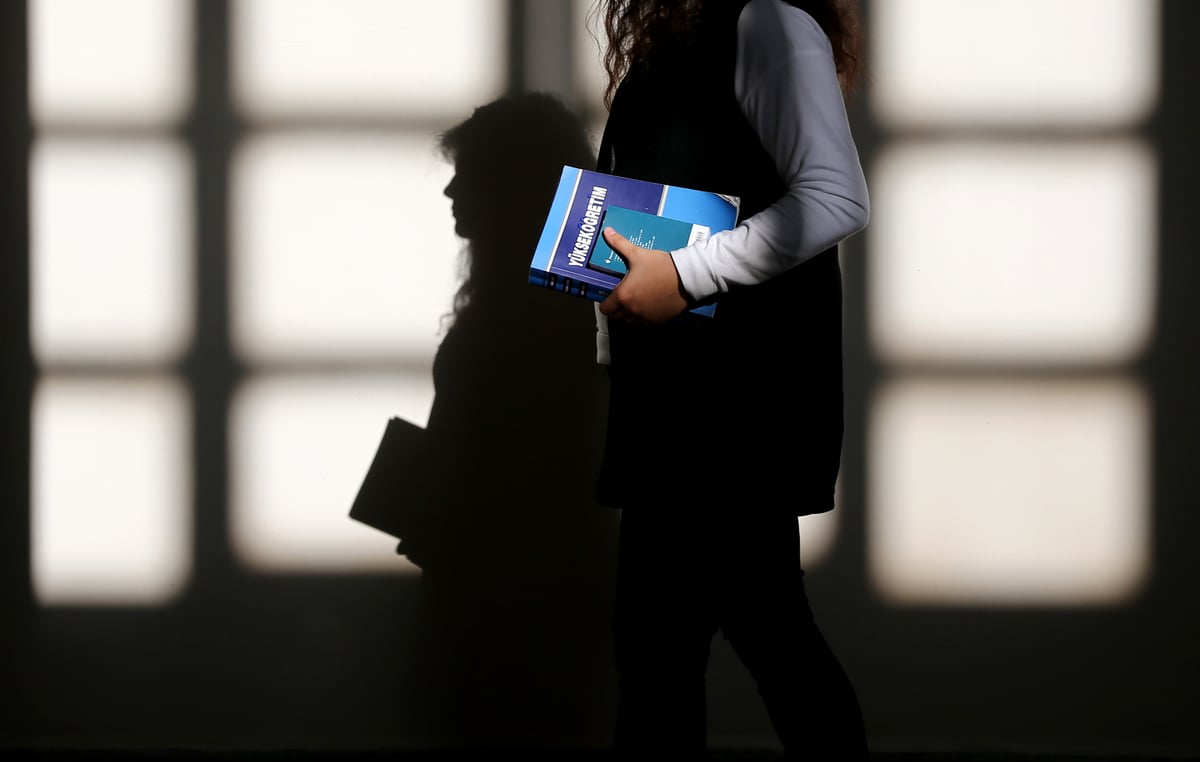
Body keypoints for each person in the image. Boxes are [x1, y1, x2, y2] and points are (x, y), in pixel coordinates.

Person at [586, 0, 871, 758]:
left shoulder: (769, 21)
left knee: (706, 645)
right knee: (698, 643)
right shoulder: (683, 36)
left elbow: (836, 198)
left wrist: (683, 275)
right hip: (678, 395)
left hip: (734, 406)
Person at [400, 92, 619, 750]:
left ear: (509, 185)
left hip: (512, 595)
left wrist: (441, 505)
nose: (450, 190)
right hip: (526, 586)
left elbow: (523, 457)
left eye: (468, 172)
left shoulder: (534, 310)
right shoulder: (558, 300)